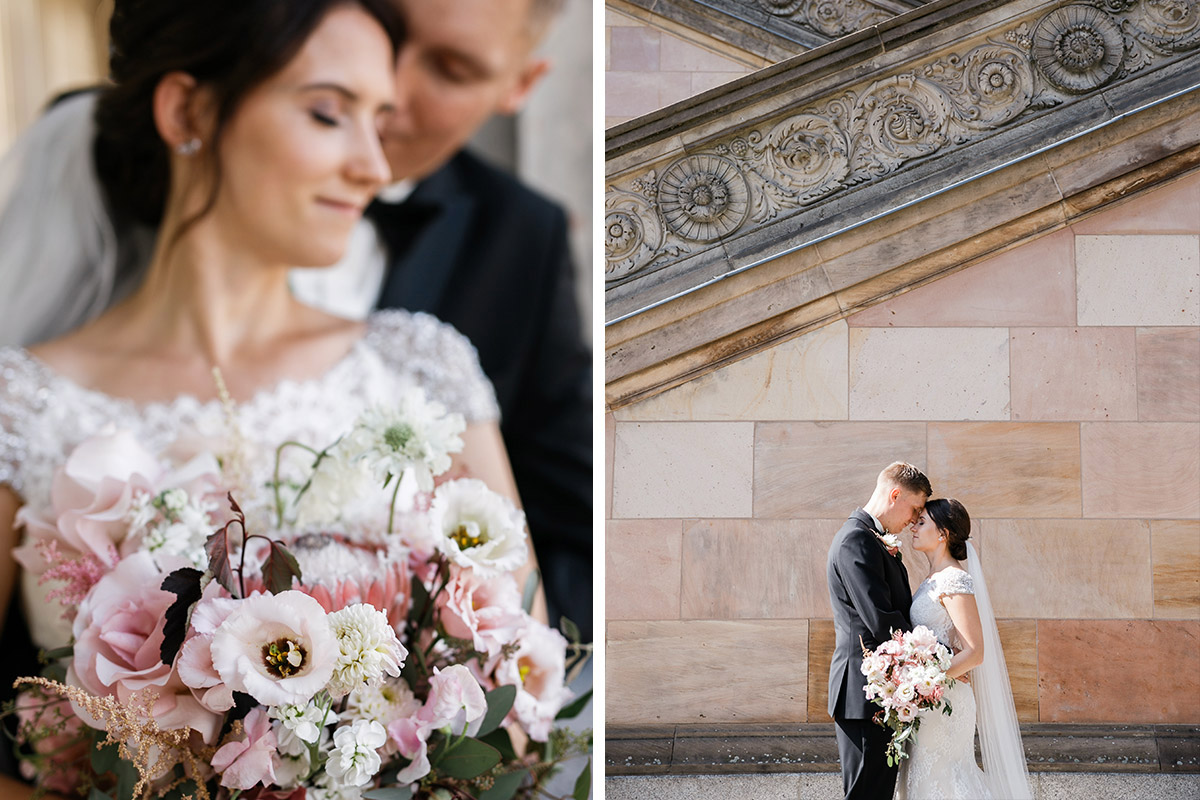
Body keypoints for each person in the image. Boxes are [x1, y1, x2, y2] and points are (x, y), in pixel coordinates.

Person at [0, 0, 540, 794]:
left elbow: (525, 716)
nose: (373, 164)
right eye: (329, 113)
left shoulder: (422, 369)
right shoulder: (25, 405)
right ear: (188, 108)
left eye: (379, 121)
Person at [294, 0, 592, 642]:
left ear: (520, 84)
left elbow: (577, 526)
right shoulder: (141, 177)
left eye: (451, 69)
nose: (389, 88)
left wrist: (471, 662)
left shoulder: (522, 236)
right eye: (385, 29)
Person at [899, 499, 1032, 799]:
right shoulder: (932, 580)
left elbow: (975, 652)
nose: (913, 527)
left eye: (921, 523)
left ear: (943, 533)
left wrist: (924, 683)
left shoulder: (954, 579)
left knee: (943, 778)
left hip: (943, 700)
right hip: (931, 698)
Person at [826, 462, 931, 800]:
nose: (915, 519)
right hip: (863, 694)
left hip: (881, 692)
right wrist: (933, 660)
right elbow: (881, 619)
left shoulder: (872, 539)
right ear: (895, 494)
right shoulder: (855, 541)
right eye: (914, 508)